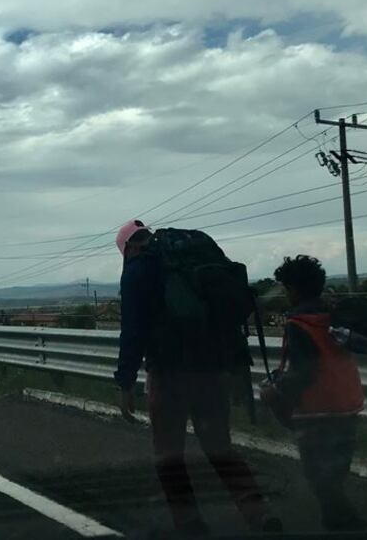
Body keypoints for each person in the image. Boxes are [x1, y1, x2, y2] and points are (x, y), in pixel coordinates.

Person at [114, 219, 279, 535]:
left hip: (168, 375)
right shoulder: (193, 261)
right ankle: (258, 512)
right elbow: (226, 320)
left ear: (130, 248)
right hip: (211, 372)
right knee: (220, 447)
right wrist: (237, 369)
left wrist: (125, 382)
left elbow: (132, 332)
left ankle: (190, 524)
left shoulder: (138, 271)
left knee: (168, 455)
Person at [260, 255, 367, 532]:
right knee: (335, 471)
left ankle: (349, 525)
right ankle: (340, 523)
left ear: (293, 289)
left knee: (318, 475)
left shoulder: (299, 324)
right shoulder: (334, 314)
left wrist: (275, 390)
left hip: (317, 410)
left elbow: (305, 371)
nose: (284, 293)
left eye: (285, 287)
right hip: (347, 401)